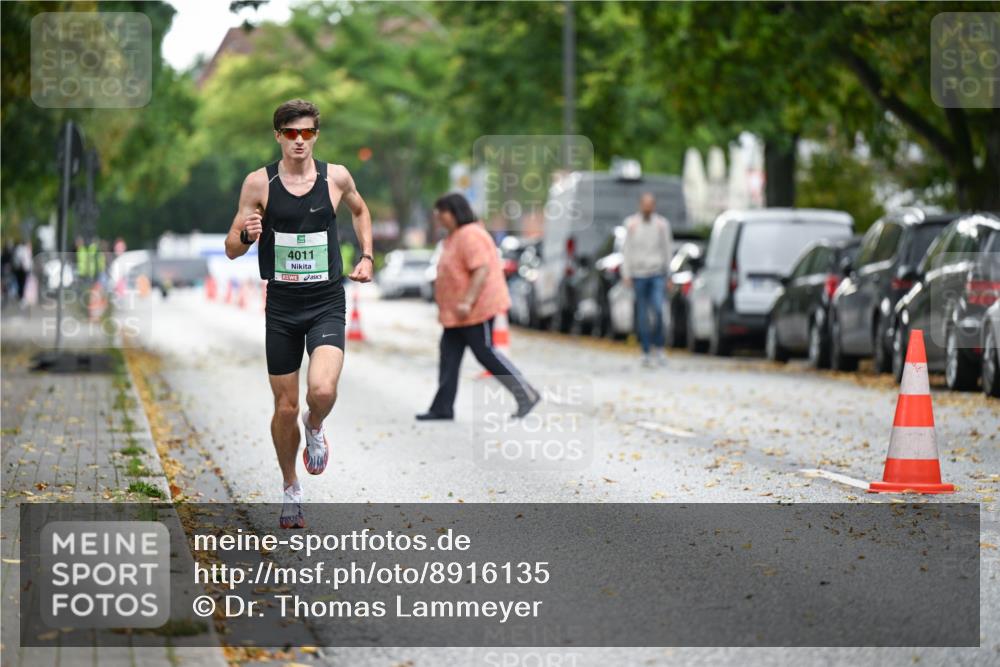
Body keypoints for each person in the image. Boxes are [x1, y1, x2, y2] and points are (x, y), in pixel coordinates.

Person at [225, 99, 374, 529]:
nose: (299, 141)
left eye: (307, 133)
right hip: (283, 307)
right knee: (284, 406)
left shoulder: (336, 177)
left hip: (326, 300)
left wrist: (366, 256)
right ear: (278, 136)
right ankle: (291, 487)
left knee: (321, 391)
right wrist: (246, 236)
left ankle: (317, 423)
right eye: (291, 133)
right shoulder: (259, 184)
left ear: (315, 136)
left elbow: (360, 210)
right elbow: (231, 248)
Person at [417, 193, 539, 421]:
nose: (438, 218)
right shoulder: (453, 237)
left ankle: (526, 393)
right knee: (449, 356)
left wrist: (468, 301)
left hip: (474, 309)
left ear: (453, 213)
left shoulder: (470, 234)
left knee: (485, 352)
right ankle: (442, 407)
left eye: (441, 213)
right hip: (456, 313)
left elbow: (481, 270)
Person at [621, 193, 674, 366]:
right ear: (640, 205)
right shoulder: (631, 225)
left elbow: (667, 249)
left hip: (657, 272)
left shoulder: (661, 225)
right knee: (642, 315)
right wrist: (626, 273)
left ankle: (659, 347)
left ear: (654, 206)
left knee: (658, 310)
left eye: (650, 204)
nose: (648, 207)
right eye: (645, 204)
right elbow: (626, 250)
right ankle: (645, 350)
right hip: (638, 275)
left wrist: (669, 275)